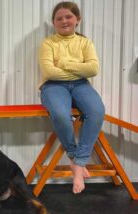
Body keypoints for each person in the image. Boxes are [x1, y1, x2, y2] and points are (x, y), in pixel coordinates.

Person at [38, 2, 105, 194]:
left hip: (81, 85)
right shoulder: (48, 43)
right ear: (53, 22)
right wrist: (78, 69)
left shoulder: (85, 42)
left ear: (77, 20)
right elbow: (49, 71)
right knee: (60, 114)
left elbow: (93, 69)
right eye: (59, 18)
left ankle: (78, 162)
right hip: (52, 86)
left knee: (97, 111)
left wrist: (65, 63)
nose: (64, 21)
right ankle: (76, 158)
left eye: (68, 17)